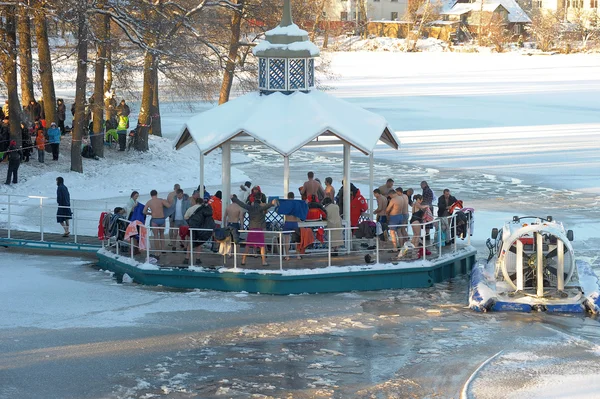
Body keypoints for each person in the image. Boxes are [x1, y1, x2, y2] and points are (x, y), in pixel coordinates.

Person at [231, 193, 277, 266]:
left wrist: (233, 198)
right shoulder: (261, 208)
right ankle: (263, 261)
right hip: (259, 228)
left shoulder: (250, 207)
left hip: (251, 228)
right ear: (260, 199)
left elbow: (242, 204)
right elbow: (268, 206)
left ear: (254, 199)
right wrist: (272, 203)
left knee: (248, 245)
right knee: (262, 246)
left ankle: (243, 260)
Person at [184, 197, 215, 264]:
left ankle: (187, 258)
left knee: (190, 243)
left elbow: (186, 217)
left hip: (192, 228)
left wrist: (191, 222)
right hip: (200, 229)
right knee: (199, 244)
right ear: (202, 203)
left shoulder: (191, 208)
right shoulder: (203, 209)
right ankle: (198, 259)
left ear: (196, 202)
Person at [143, 189, 172, 258]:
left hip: (154, 220)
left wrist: (150, 213)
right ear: (157, 194)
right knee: (162, 234)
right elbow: (169, 206)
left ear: (151, 195)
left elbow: (144, 211)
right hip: (162, 219)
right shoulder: (161, 200)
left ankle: (157, 251)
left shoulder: (149, 202)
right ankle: (163, 249)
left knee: (156, 236)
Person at [280, 192, 302, 261]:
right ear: (293, 197)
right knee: (296, 240)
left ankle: (287, 256)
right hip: (295, 223)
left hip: (288, 222)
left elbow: (282, 211)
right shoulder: (296, 204)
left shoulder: (286, 204)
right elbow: (298, 214)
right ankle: (298, 255)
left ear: (287, 197)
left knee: (287, 240)